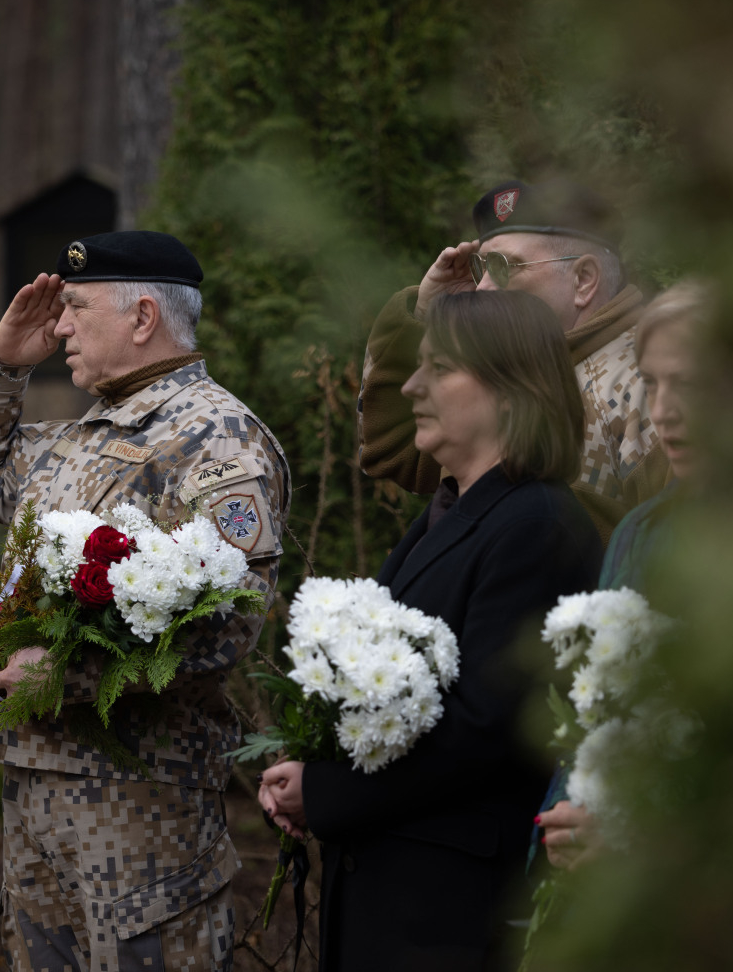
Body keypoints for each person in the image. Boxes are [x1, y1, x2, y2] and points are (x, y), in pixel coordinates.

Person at [0, 230, 291, 972]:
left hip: (140, 812)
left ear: (142, 317)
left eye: (75, 308)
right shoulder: (79, 436)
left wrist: (64, 677)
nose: (60, 326)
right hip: (40, 793)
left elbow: (230, 624)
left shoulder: (215, 438)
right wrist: (5, 366)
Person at [259, 290, 605, 971]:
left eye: (438, 368)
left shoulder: (535, 522)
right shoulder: (449, 513)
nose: (412, 387)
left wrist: (327, 794)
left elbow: (484, 727)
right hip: (398, 894)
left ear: (511, 389)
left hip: (453, 912)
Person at [358, 179, 672, 543]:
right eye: (482, 268)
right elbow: (391, 451)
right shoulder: (508, 369)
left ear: (583, 280)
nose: (483, 287)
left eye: (506, 267)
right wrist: (426, 317)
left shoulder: (654, 378)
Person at [536, 280, 709, 869]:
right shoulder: (640, 531)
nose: (663, 411)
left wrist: (643, 840)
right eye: (653, 383)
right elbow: (597, 709)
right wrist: (561, 830)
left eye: (691, 384)